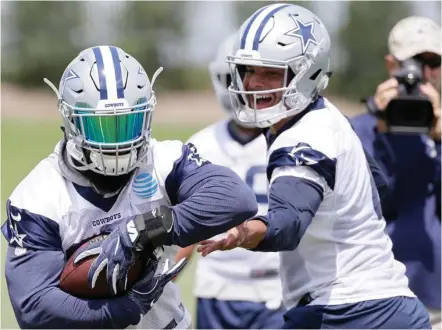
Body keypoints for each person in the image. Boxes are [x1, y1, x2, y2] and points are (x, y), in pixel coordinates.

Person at [197, 4, 431, 328]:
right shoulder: (329, 118)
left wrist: (242, 232)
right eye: (248, 69)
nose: (252, 83)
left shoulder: (306, 135)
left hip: (350, 313)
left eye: (269, 72)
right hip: (385, 307)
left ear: (306, 72)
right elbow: (379, 186)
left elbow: (287, 223)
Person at [1, 45, 258, 329]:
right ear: (72, 121)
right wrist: (128, 307)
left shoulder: (163, 159)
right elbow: (34, 307)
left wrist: (145, 229)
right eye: (102, 127)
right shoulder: (39, 195)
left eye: (129, 123)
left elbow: (236, 199)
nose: (117, 143)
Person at [174, 32, 285, 329]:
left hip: (279, 288)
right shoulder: (202, 145)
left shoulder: (289, 140)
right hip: (219, 288)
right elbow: (184, 225)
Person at [350, 16, 441, 328]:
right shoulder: (357, 130)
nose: (425, 74)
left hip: (434, 296)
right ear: (392, 65)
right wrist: (382, 128)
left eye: (435, 62)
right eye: (415, 62)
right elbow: (360, 200)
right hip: (371, 297)